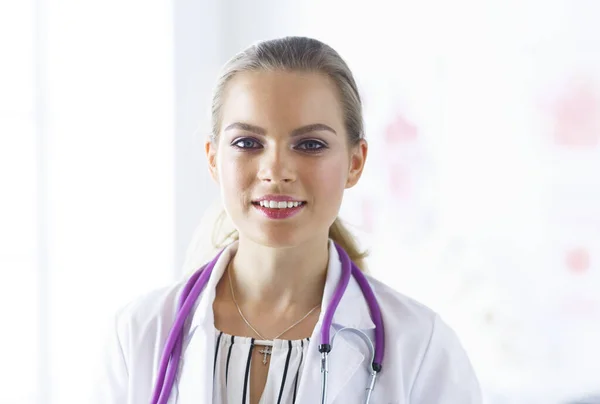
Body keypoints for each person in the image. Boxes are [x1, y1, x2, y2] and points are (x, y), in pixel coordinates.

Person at [94, 36, 482, 403]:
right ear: (214, 159)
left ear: (355, 162)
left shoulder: (421, 347)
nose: (276, 170)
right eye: (248, 143)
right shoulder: (139, 335)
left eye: (310, 145)